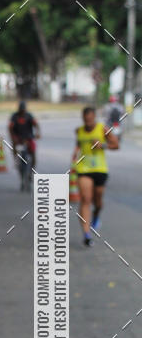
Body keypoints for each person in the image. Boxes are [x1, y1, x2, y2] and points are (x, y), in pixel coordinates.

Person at [72, 105, 118, 246]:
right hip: (84, 169)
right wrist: (73, 160)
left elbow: (116, 145)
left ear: (94, 118)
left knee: (98, 201)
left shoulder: (102, 129)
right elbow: (78, 146)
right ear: (83, 119)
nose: (88, 123)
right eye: (86, 120)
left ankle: (96, 214)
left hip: (100, 169)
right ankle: (86, 234)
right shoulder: (79, 131)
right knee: (85, 199)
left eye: (91, 120)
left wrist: (102, 145)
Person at [8, 100, 40, 171]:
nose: (22, 111)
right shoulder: (15, 116)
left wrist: (38, 133)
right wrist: (13, 137)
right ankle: (16, 159)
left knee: (33, 152)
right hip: (18, 138)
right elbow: (10, 128)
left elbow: (36, 124)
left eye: (23, 110)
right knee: (14, 146)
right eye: (21, 110)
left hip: (29, 137)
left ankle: (32, 170)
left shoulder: (29, 116)